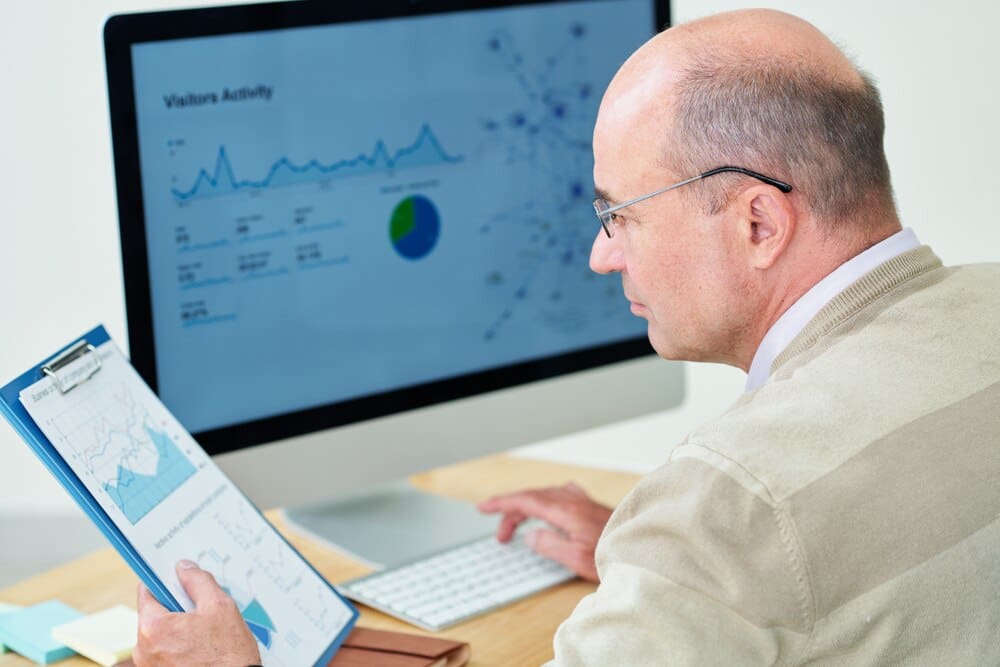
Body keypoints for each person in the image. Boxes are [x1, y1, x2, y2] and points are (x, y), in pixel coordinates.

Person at [133, 8, 1000, 666]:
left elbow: (764, 524)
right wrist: (666, 572)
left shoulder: (732, 504)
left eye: (621, 214)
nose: (600, 254)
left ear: (759, 223)